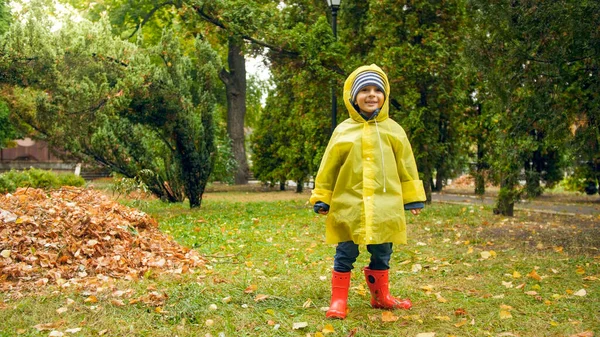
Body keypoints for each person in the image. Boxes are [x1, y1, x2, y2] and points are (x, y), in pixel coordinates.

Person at [310, 64, 426, 319]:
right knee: (345, 252)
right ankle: (338, 300)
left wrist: (413, 197)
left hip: (385, 205)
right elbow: (329, 166)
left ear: (384, 96)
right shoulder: (343, 131)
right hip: (348, 203)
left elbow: (406, 164)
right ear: (353, 97)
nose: (372, 94)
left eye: (377, 90)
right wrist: (322, 196)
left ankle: (381, 297)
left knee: (383, 251)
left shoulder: (394, 130)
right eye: (364, 90)